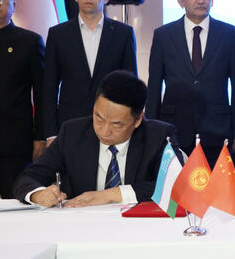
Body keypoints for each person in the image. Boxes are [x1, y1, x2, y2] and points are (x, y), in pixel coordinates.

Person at [13, 70, 179, 207]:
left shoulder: (160, 136)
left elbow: (174, 185)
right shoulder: (72, 133)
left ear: (138, 120)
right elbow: (28, 177)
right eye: (98, 118)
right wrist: (38, 194)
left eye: (116, 124)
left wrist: (110, 195)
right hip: (83, 226)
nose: (104, 131)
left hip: (137, 228)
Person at [146, 0, 235, 168]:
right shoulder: (163, 35)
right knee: (177, 185)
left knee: (214, 186)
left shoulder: (230, 34)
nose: (201, 0)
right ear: (181, 2)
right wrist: (151, 129)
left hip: (218, 129)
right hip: (174, 129)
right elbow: (154, 85)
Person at [42, 0, 137, 142]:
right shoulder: (58, 34)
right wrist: (50, 133)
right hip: (69, 125)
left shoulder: (123, 33)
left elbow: (130, 85)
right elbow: (49, 87)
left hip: (112, 125)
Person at [0, 0, 44, 198]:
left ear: (14, 4)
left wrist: (40, 137)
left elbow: (42, 94)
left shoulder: (30, 42)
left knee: (17, 202)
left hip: (15, 142)